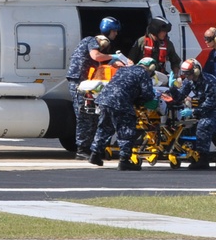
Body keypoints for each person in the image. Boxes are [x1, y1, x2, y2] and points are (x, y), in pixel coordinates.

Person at [66, 17, 132, 159]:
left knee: (92, 115)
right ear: (109, 31)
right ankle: (82, 149)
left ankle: (89, 147)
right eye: (115, 32)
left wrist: (116, 62)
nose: (116, 35)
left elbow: (101, 63)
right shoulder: (92, 41)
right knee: (84, 115)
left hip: (85, 83)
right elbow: (96, 56)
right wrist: (113, 56)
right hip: (79, 83)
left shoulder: (91, 43)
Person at [88, 57, 159, 171]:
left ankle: (95, 154)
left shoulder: (123, 69)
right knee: (126, 130)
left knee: (104, 127)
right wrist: (141, 100)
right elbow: (148, 94)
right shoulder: (143, 73)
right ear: (151, 68)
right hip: (121, 102)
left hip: (104, 100)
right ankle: (124, 160)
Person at [172, 58, 216, 168]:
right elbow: (180, 96)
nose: (187, 76)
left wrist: (193, 111)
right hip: (207, 106)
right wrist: (173, 88)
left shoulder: (209, 82)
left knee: (204, 126)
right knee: (214, 133)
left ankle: (203, 159)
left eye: (188, 73)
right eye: (185, 74)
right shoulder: (189, 81)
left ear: (196, 71)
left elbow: (210, 103)